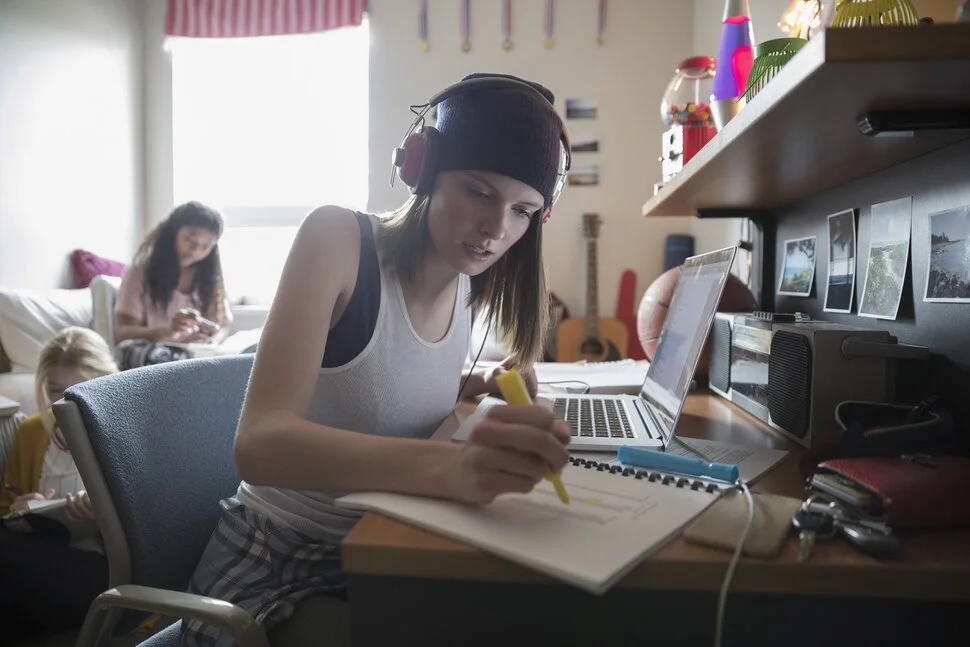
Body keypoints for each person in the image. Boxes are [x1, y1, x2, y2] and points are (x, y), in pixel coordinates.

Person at [180, 72, 573, 646]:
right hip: (274, 566)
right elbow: (259, 445)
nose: (496, 228)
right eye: (480, 193)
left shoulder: (464, 282)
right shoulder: (339, 240)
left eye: (523, 210)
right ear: (423, 167)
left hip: (383, 542)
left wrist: (482, 381)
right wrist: (449, 469)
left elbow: (385, 383)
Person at [0, 326, 119, 641]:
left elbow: (151, 538)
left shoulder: (120, 437)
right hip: (43, 556)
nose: (65, 402)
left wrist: (101, 521)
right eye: (55, 390)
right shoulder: (32, 431)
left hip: (105, 569)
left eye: (82, 389)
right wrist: (21, 510)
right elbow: (6, 509)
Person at [114, 201, 233, 369]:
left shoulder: (209, 279)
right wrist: (167, 331)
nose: (195, 250)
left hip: (198, 357)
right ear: (173, 232)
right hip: (159, 357)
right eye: (190, 239)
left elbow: (221, 326)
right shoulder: (139, 272)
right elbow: (122, 333)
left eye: (205, 247)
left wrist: (214, 340)